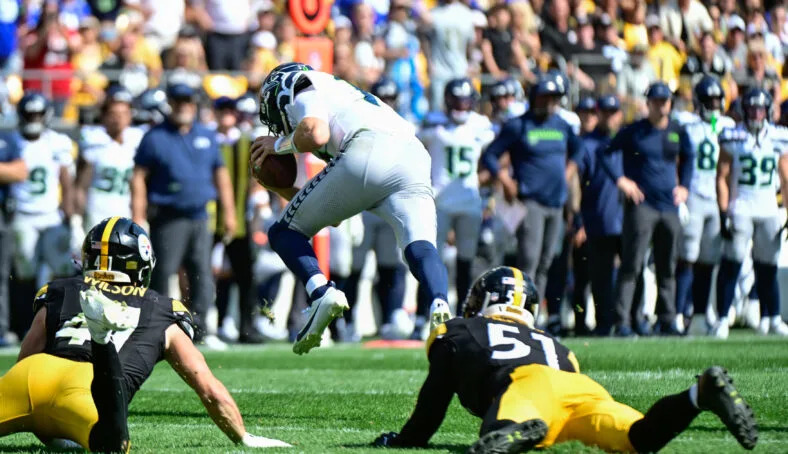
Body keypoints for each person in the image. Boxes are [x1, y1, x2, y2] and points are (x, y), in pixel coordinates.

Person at [373, 266, 758, 453]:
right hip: (581, 387)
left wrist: (405, 440)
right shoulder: (554, 343)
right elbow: (560, 379)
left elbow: (432, 406)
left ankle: (517, 431)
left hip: (526, 387)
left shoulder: (456, 330)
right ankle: (699, 393)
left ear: (488, 300)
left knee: (495, 438)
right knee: (638, 438)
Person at [0, 217, 290, 450]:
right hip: (86, 389)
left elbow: (26, 359)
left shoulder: (61, 289)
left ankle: (100, 337)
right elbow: (208, 388)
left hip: (31, 375)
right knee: (113, 444)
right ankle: (102, 338)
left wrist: (39, 420)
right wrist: (242, 437)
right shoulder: (161, 308)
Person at [252, 62, 450, 355]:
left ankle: (321, 294)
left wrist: (278, 145)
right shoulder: (345, 97)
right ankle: (440, 304)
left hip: (369, 149)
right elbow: (330, 213)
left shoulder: (302, 84)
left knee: (283, 233)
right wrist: (280, 187)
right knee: (420, 247)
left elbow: (314, 133)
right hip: (413, 156)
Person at [130, 83, 237, 346]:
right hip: (167, 217)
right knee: (162, 273)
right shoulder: (155, 136)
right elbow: (139, 177)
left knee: (201, 274)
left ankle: (200, 330)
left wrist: (230, 212)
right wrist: (138, 215)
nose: (183, 106)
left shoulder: (206, 135)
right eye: (178, 101)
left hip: (200, 216)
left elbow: (220, 174)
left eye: (188, 101)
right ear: (171, 103)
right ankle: (157, 328)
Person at [481, 73, 581, 321]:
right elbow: (490, 156)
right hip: (531, 202)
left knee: (547, 262)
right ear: (535, 97)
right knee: (529, 262)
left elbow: (579, 150)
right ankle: (520, 315)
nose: (549, 103)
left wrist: (568, 172)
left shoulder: (561, 125)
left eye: (554, 98)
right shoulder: (518, 125)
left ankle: (534, 314)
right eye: (545, 97)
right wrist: (504, 179)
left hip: (556, 202)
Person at [602, 81, 694, 337]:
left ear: (670, 103)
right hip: (643, 206)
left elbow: (689, 157)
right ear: (648, 103)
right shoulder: (635, 131)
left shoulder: (677, 130)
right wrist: (621, 180)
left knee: (667, 266)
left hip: (669, 206)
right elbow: (606, 152)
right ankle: (622, 322)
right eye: (656, 101)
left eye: (665, 101)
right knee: (632, 264)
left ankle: (666, 319)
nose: (661, 106)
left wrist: (684, 185)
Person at [715, 88, 788, 338]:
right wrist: (724, 211)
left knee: (768, 266)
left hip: (768, 208)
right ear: (744, 110)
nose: (756, 114)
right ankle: (723, 318)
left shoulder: (779, 137)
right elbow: (722, 177)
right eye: (751, 109)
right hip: (741, 207)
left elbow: (786, 178)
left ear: (767, 111)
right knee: (732, 261)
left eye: (760, 109)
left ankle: (773, 317)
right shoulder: (732, 136)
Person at [419, 78, 495, 315]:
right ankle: (424, 314)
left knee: (466, 261)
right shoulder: (433, 124)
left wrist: (484, 179)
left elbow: (497, 155)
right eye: (457, 101)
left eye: (465, 102)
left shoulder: (481, 126)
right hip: (439, 201)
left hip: (469, 202)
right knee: (430, 260)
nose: (461, 107)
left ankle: (463, 312)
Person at [9, 92, 75, 341]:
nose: (33, 119)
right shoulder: (12, 142)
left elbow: (65, 180)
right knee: (24, 271)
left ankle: (61, 322)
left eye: (37, 114)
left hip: (51, 215)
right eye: (29, 114)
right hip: (23, 215)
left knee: (61, 269)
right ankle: (25, 324)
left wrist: (70, 215)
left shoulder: (57, 142)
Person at [673, 76, 736, 335]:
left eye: (717, 99)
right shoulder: (685, 123)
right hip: (694, 196)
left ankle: (698, 314)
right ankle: (678, 312)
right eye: (708, 99)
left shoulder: (728, 125)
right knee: (687, 256)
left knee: (708, 259)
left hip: (716, 199)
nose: (713, 104)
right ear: (698, 101)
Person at [566, 94, 624, 336]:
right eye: (604, 112)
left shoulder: (626, 139)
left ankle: (626, 321)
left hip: (625, 220)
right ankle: (593, 323)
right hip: (594, 220)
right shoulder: (585, 144)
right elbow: (574, 183)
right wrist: (578, 219)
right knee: (591, 277)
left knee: (629, 275)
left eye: (614, 112)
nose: (609, 117)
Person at [211, 96, 265, 344]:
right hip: (210, 220)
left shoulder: (245, 142)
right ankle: (211, 324)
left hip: (240, 222)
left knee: (244, 277)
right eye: (222, 111)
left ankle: (246, 326)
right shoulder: (207, 140)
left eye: (229, 111)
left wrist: (257, 209)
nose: (226, 116)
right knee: (205, 275)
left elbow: (255, 179)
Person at [75, 86, 143, 233]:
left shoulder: (136, 140)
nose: (118, 119)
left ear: (130, 116)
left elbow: (138, 186)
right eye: (113, 113)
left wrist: (140, 217)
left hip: (125, 213)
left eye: (124, 113)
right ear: (104, 116)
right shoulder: (94, 140)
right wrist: (77, 219)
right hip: (97, 213)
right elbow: (81, 186)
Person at [0, 130, 27, 346]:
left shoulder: (7, 136)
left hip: (2, 213)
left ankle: (1, 328)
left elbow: (20, 171)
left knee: (2, 275)